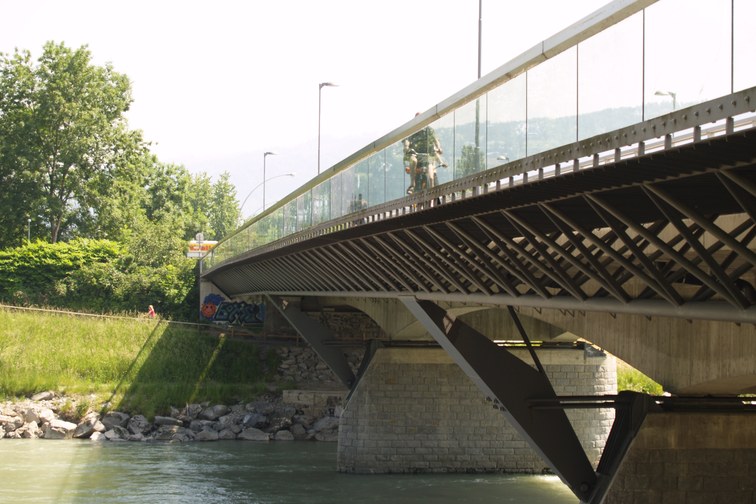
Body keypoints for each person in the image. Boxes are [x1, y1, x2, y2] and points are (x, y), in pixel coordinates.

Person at [404, 114, 445, 194]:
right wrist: (407, 148)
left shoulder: (429, 130)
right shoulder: (412, 132)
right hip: (417, 158)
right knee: (413, 160)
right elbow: (406, 142)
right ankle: (412, 184)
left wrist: (439, 147)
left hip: (428, 157)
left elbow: (436, 140)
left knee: (432, 171)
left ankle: (433, 188)